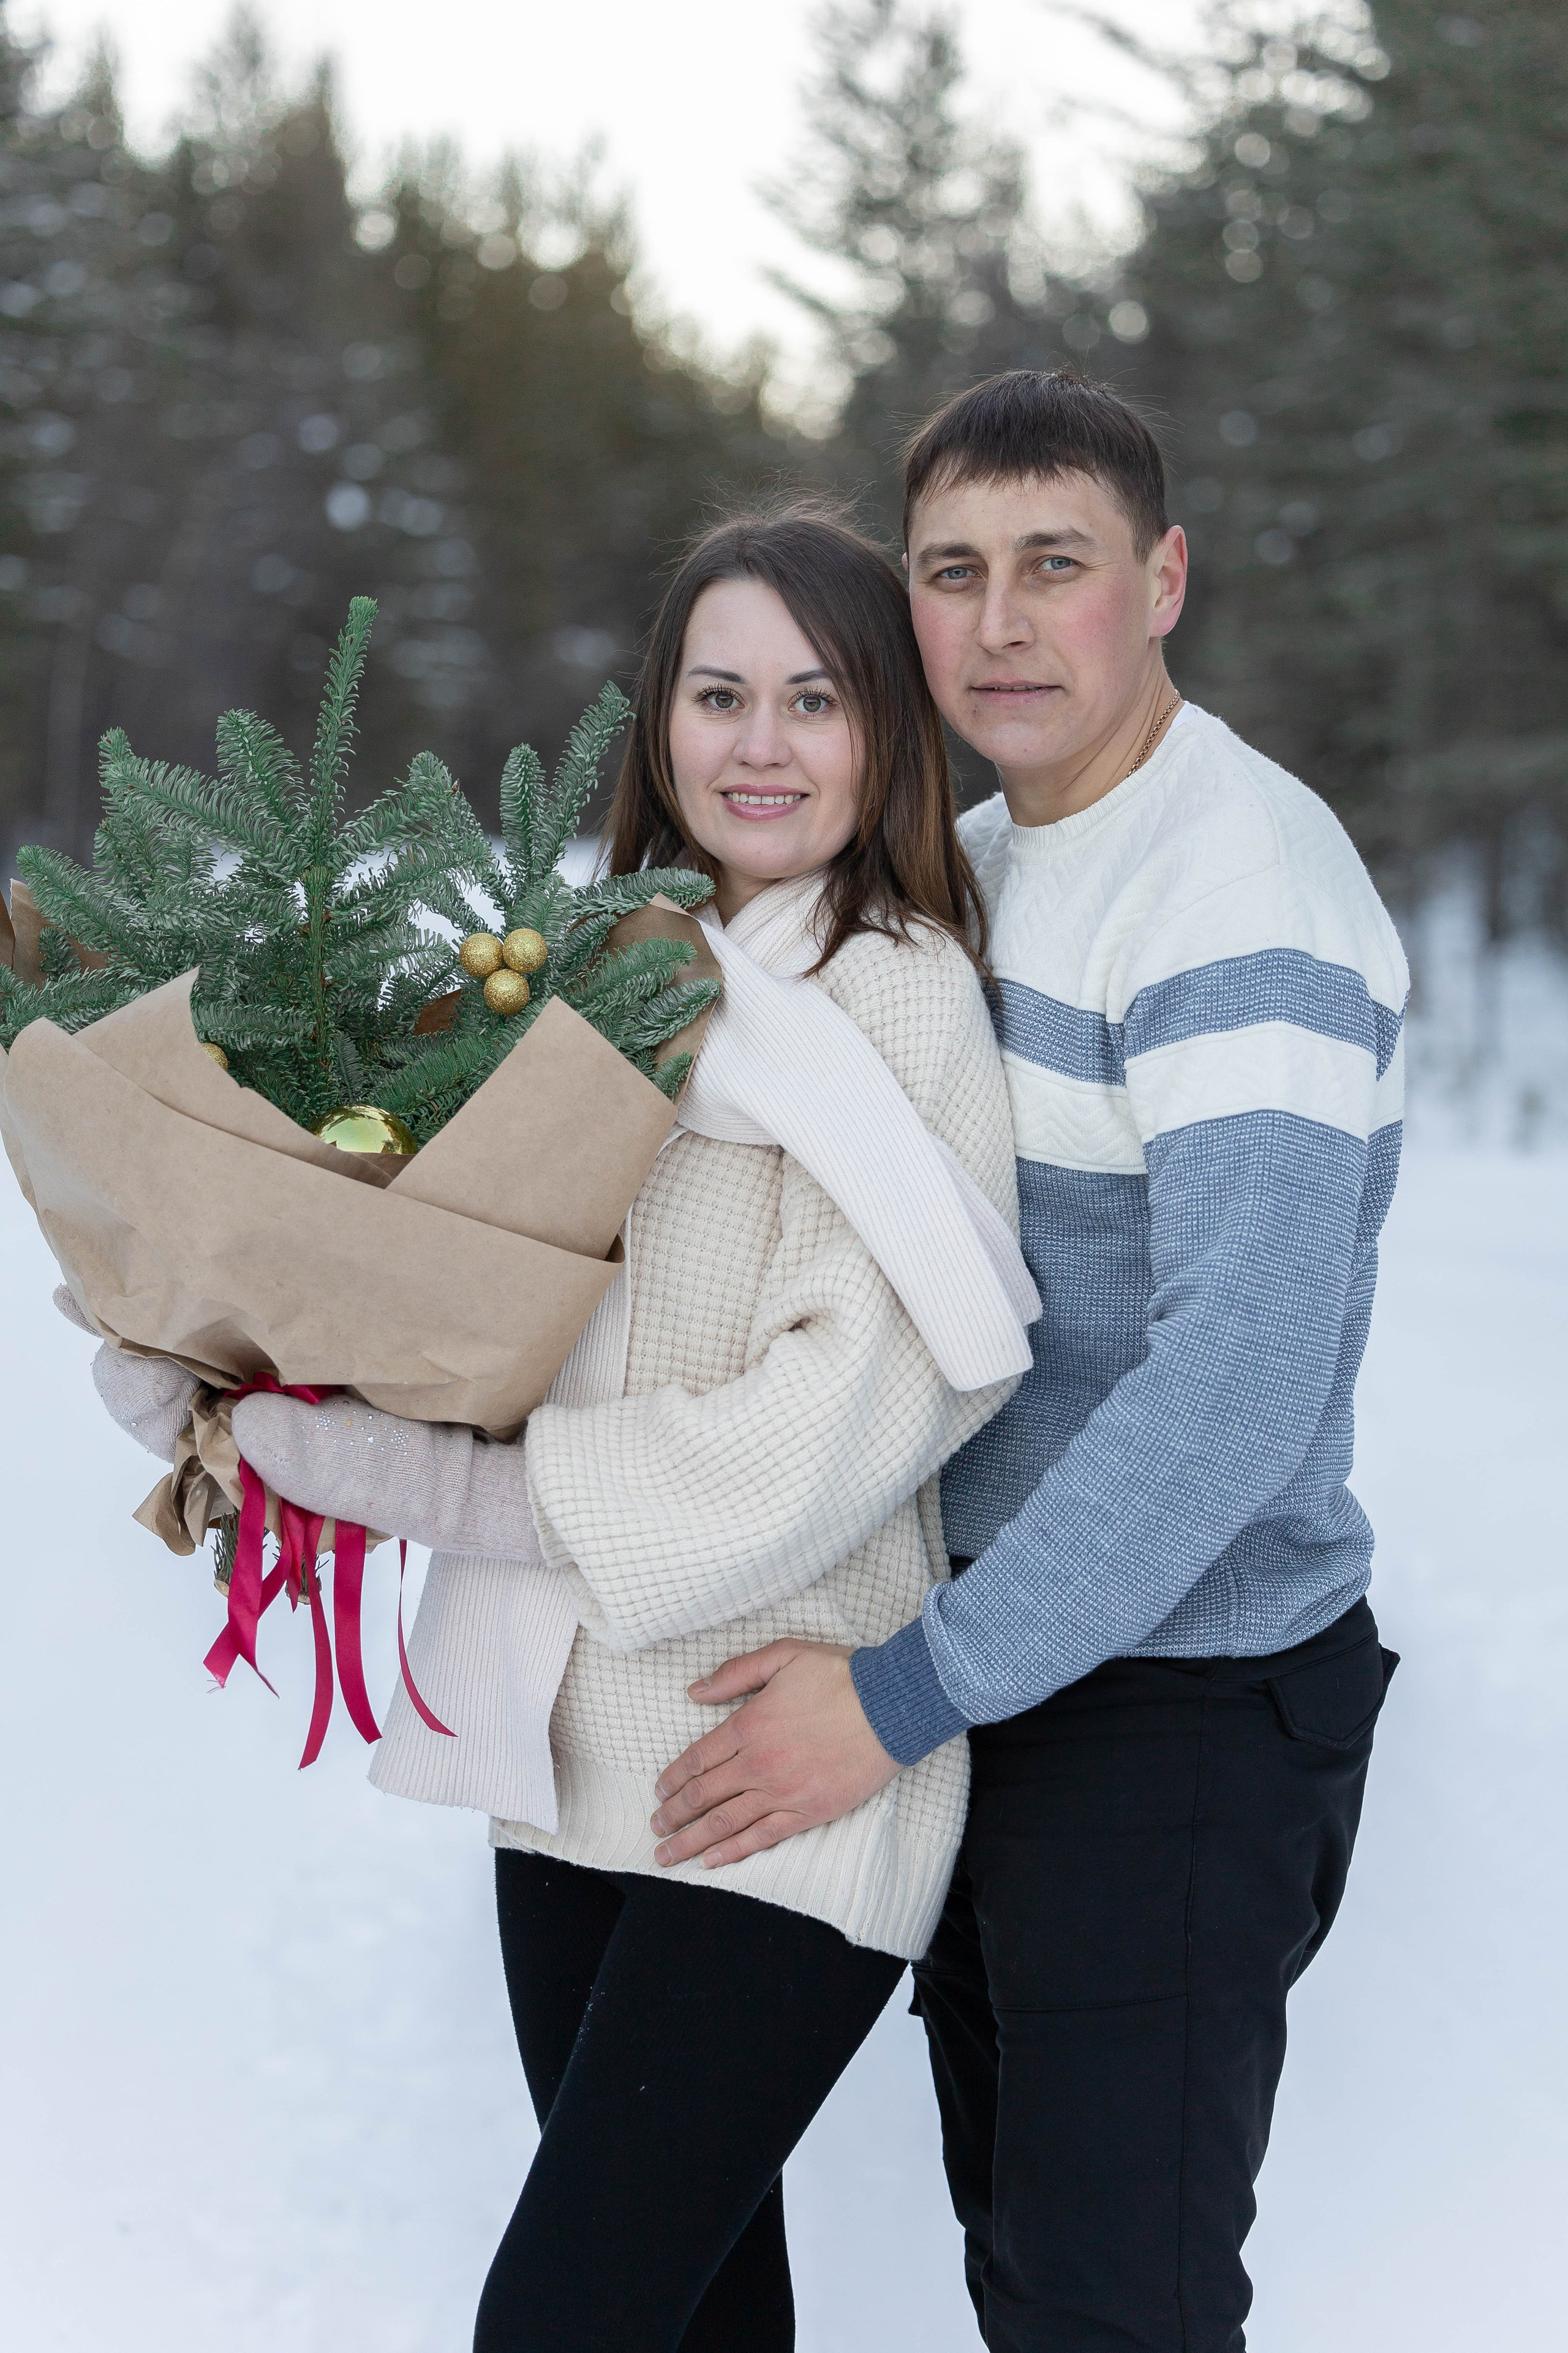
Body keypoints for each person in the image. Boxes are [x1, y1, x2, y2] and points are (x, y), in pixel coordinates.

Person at [71, 505, 1033, 2352]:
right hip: (568, 1746)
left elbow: (859, 1406)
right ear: (659, 719)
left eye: (816, 699)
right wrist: (214, 1364)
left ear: (885, 735)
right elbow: (456, 1290)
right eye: (720, 692)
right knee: (697, 2313)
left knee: (566, 2317)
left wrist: (433, 1486)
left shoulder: (894, 996)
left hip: (781, 1760)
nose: (761, 743)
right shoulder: (599, 976)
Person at [649, 373, 1408, 2351]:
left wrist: (904, 1694)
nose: (999, 625)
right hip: (1010, 1661)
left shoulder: (1239, 893)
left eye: (1053, 568)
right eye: (953, 572)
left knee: (1114, 2307)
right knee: (1029, 2264)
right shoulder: (975, 860)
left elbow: (1236, 1392)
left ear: (1161, 579)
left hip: (1178, 1698)